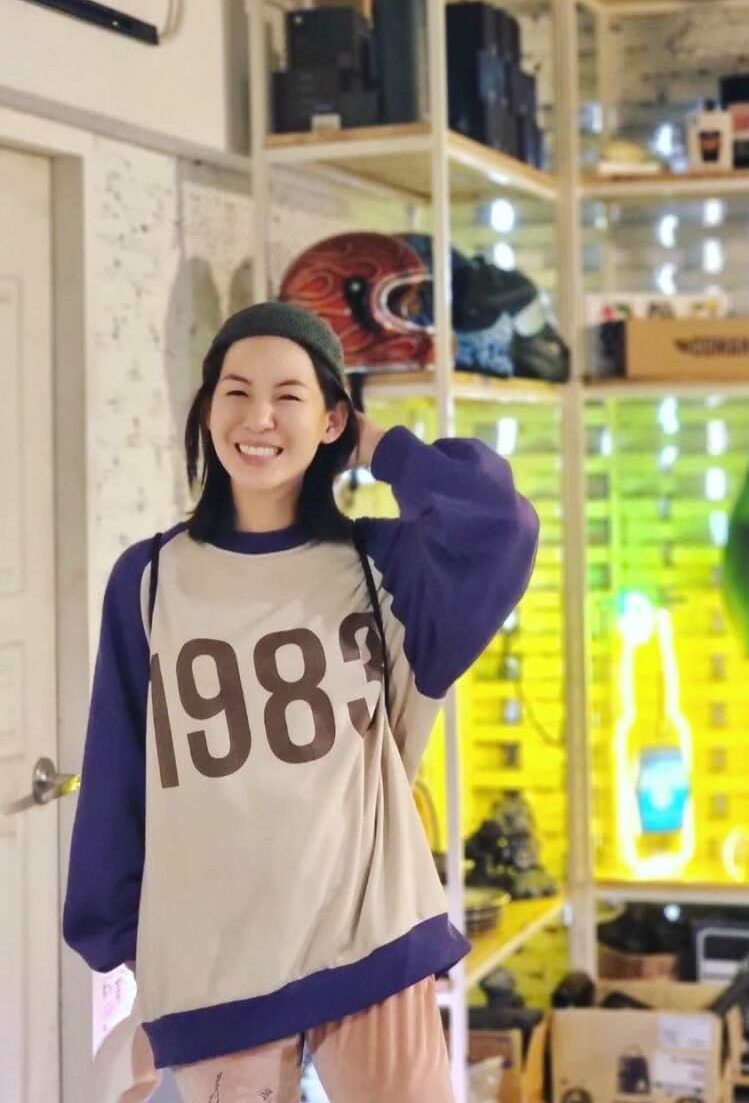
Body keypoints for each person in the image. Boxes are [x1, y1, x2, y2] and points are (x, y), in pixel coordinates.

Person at [63, 301, 539, 1103]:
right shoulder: (149, 579)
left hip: (371, 945)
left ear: (332, 420)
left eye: (289, 396)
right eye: (235, 392)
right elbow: (118, 767)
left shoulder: (383, 569)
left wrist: (380, 447)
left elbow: (499, 526)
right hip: (217, 970)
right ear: (206, 409)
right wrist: (119, 938)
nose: (259, 417)